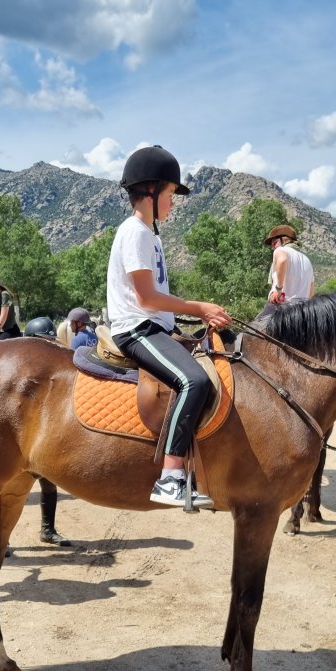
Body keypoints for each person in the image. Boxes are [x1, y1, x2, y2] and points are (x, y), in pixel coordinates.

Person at [107, 144, 232, 509]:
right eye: (171, 194)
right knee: (194, 381)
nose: (173, 203)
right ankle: (170, 476)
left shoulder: (150, 234)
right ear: (151, 191)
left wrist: (194, 316)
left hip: (155, 327)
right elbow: (146, 298)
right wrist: (200, 307)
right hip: (136, 329)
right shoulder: (135, 232)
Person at [23, 316, 72, 546]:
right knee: (4, 491)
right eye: (44, 341)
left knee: (49, 484)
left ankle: (47, 530)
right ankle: (1, 539)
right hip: (21, 437)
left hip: (42, 434)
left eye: (51, 341)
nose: (49, 345)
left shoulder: (49, 367)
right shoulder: (18, 366)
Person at [264, 225, 314, 304]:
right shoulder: (307, 260)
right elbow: (311, 289)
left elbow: (282, 260)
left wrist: (278, 289)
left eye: (274, 243)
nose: (273, 247)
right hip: (302, 308)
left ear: (284, 240)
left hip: (282, 306)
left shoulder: (281, 250)